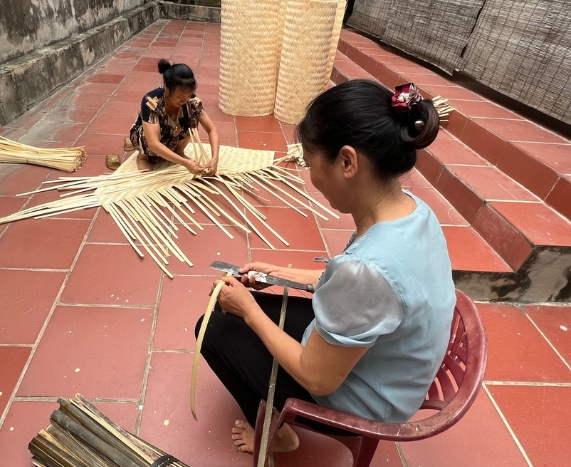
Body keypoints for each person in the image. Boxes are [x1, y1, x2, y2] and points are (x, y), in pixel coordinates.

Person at [195, 79, 456, 455]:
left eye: (310, 162)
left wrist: (249, 310)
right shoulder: (413, 210)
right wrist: (280, 274)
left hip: (371, 398)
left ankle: (278, 436)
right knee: (233, 310)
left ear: (348, 161)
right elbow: (356, 291)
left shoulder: (366, 271)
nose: (311, 177)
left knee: (213, 327)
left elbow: (316, 376)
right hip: (393, 361)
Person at [113, 59, 220, 175]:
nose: (184, 100)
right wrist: (185, 163)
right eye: (180, 96)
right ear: (167, 89)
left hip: (171, 133)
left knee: (193, 116)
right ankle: (142, 157)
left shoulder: (192, 101)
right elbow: (153, 143)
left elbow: (212, 129)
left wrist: (215, 159)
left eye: (188, 95)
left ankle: (178, 152)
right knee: (147, 133)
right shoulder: (151, 102)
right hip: (146, 137)